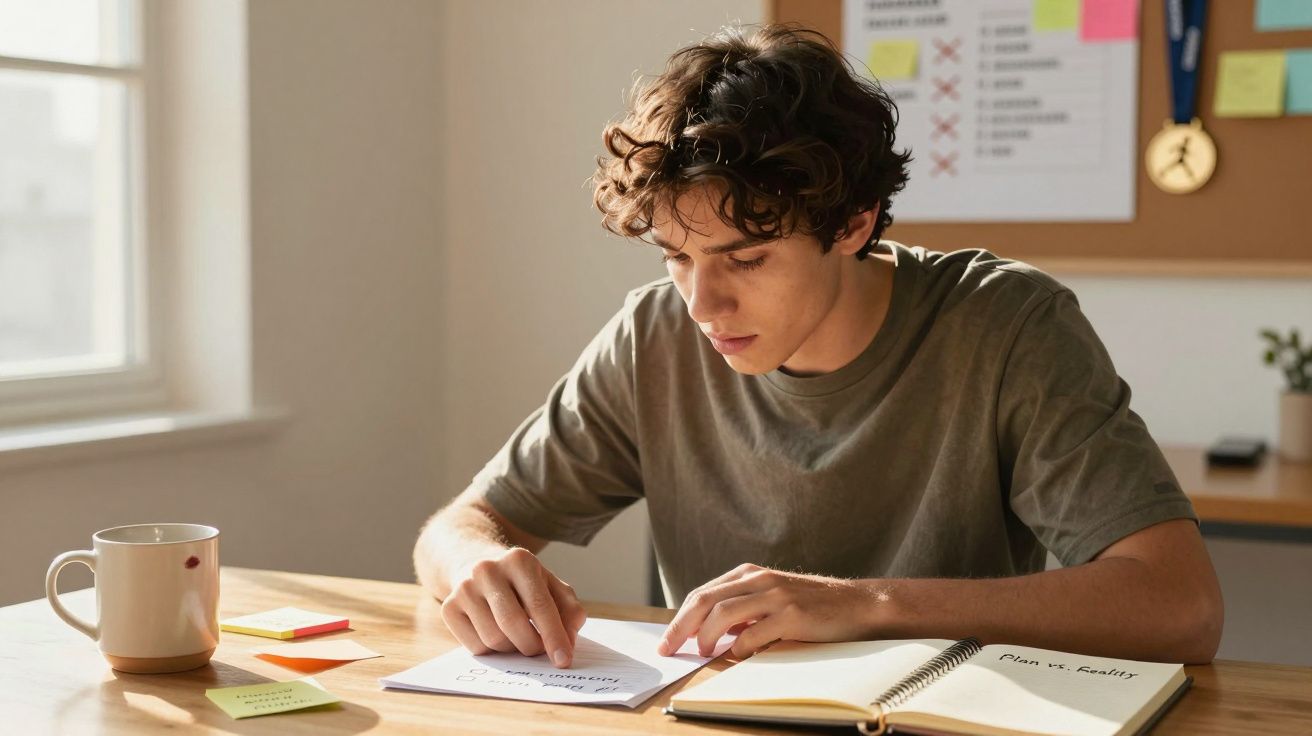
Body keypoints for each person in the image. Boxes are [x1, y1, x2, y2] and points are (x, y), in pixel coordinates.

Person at [413, 25, 1223, 670]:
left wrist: (864, 605)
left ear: (853, 224)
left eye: (745, 259)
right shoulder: (653, 335)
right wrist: (475, 564)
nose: (702, 304)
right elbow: (460, 526)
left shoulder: (1007, 326)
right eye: (677, 257)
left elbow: (1181, 606)